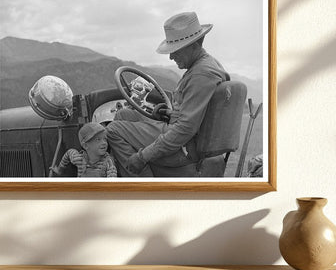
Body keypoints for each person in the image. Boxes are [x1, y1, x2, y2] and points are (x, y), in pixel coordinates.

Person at [106, 11, 230, 177]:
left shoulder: (201, 75)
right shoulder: (206, 65)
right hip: (189, 138)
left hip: (185, 148)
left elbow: (184, 129)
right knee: (124, 114)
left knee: (113, 129)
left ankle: (143, 185)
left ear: (194, 45)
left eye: (176, 50)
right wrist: (170, 113)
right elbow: (194, 114)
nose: (171, 56)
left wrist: (142, 156)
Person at [50, 122, 117, 178]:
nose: (104, 143)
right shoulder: (79, 159)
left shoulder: (108, 162)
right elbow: (69, 153)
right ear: (85, 146)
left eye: (105, 139)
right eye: (98, 140)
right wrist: (59, 170)